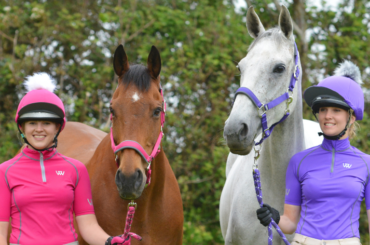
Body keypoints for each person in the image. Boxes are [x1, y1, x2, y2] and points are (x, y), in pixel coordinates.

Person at [0, 73, 130, 245]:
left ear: (57, 127)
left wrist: (110, 241)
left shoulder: (76, 169)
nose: (39, 129)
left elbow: (88, 226)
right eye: (32, 123)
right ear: (22, 127)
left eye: (46, 123)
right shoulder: (5, 171)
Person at [256, 60, 369, 245]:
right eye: (322, 109)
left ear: (351, 117)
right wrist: (275, 217)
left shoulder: (366, 164)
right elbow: (290, 223)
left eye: (336, 110)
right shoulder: (299, 161)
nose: (327, 116)